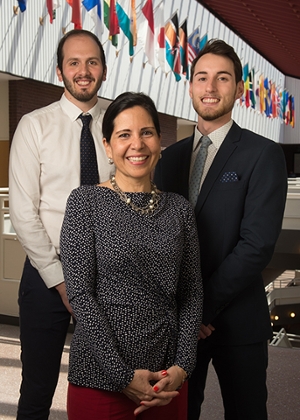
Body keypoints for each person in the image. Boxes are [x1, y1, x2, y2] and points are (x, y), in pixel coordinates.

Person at [154, 39, 287, 420]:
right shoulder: (169, 158)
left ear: (239, 88)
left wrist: (202, 310)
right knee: (179, 415)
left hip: (235, 322)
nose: (210, 88)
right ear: (190, 85)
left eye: (222, 78)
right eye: (202, 77)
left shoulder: (262, 154)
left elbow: (256, 245)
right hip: (177, 324)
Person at [59, 92, 203, 420]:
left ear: (159, 142)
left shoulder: (179, 209)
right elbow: (80, 296)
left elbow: (191, 293)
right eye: (124, 135)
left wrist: (182, 368)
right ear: (108, 146)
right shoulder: (85, 203)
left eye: (146, 132)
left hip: (165, 384)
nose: (137, 144)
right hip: (99, 381)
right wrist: (122, 377)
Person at [9, 29, 114, 419]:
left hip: (109, 274)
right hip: (45, 277)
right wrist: (59, 278)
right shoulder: (34, 126)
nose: (83, 71)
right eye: (74, 62)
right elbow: (23, 211)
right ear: (59, 71)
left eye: (92, 62)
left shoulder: (119, 125)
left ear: (103, 70)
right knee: (37, 389)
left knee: (108, 383)